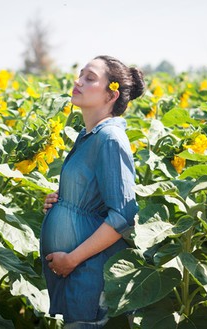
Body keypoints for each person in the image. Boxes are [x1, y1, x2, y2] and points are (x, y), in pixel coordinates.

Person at [40, 55, 145, 328]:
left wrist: (72, 259)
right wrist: (63, 201)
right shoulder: (89, 136)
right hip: (78, 273)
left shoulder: (110, 138)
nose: (78, 82)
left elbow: (123, 215)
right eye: (80, 74)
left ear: (111, 94)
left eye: (90, 78)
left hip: (92, 272)